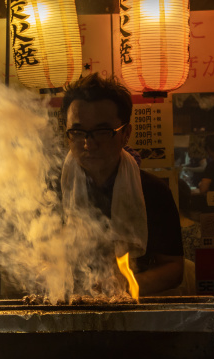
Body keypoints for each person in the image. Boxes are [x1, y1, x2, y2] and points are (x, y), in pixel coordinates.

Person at [60, 73, 184, 296]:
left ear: (126, 134)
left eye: (102, 132)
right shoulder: (52, 189)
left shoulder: (153, 191)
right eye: (78, 132)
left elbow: (174, 269)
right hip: (67, 306)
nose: (89, 144)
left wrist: (123, 287)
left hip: (132, 309)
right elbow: (37, 259)